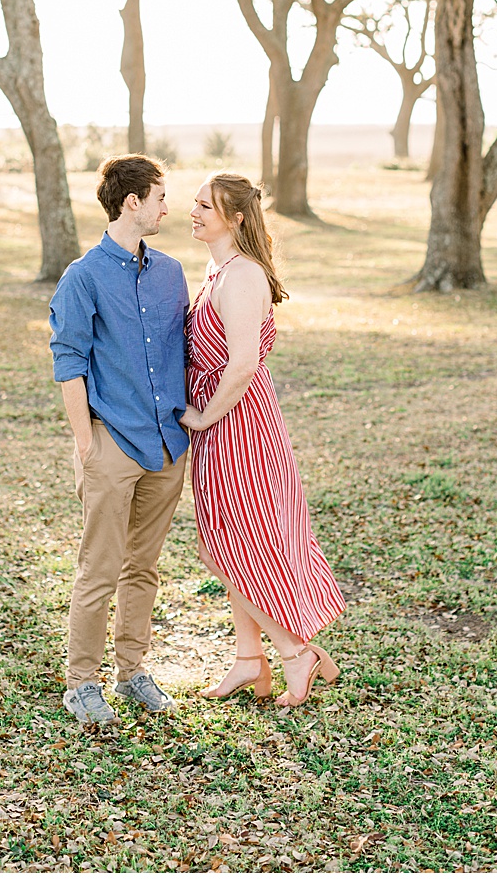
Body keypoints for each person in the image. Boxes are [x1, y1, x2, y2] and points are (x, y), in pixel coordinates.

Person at [181, 173, 345, 708]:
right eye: (196, 203)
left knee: (231, 546)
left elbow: (244, 363)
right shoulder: (217, 268)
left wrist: (204, 418)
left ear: (237, 218)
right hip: (219, 423)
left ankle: (294, 651)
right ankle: (249, 661)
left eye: (207, 206)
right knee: (225, 543)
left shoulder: (244, 276)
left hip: (238, 424)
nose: (195, 211)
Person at [48, 155, 190, 726]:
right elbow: (68, 364)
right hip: (113, 444)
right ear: (131, 202)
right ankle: (82, 682)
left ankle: (132, 672)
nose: (166, 207)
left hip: (168, 447)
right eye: (159, 197)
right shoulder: (82, 277)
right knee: (98, 569)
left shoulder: (172, 272)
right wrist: (86, 447)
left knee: (144, 568)